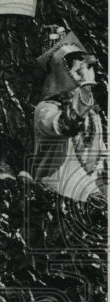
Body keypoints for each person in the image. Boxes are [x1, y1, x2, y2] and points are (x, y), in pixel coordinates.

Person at [31, 30, 107, 202]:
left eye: (86, 68)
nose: (83, 75)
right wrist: (86, 88)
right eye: (76, 70)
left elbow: (101, 162)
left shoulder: (93, 116)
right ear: (60, 73)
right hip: (55, 204)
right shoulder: (45, 110)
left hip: (89, 207)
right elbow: (67, 125)